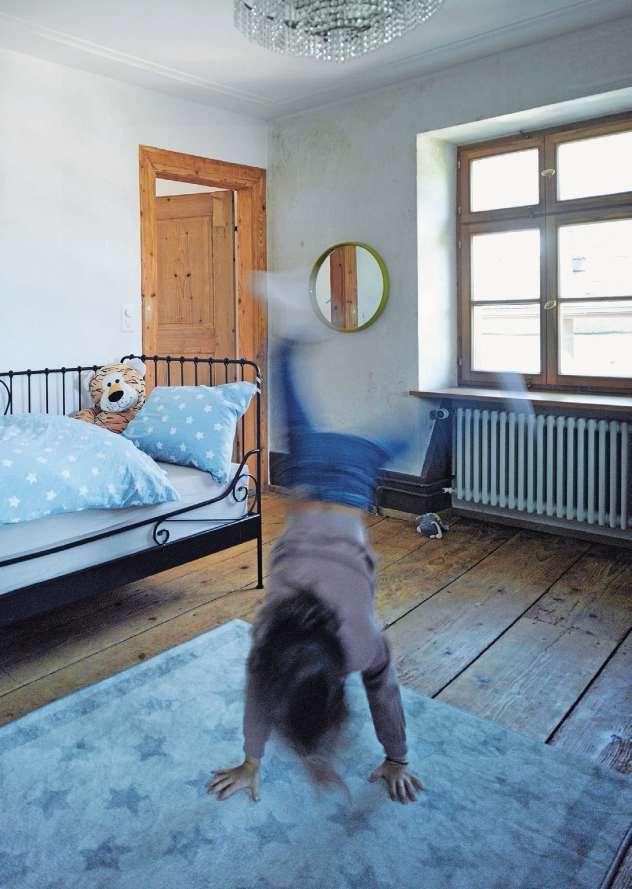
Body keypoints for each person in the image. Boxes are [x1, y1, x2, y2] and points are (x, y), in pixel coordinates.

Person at [207, 340, 424, 805]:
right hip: (311, 474)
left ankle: (443, 412)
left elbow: (382, 693)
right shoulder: (269, 640)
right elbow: (261, 699)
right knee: (300, 423)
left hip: (351, 480)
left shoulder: (360, 643)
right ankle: (284, 357)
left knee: (410, 432)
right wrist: (397, 757)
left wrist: (398, 758)